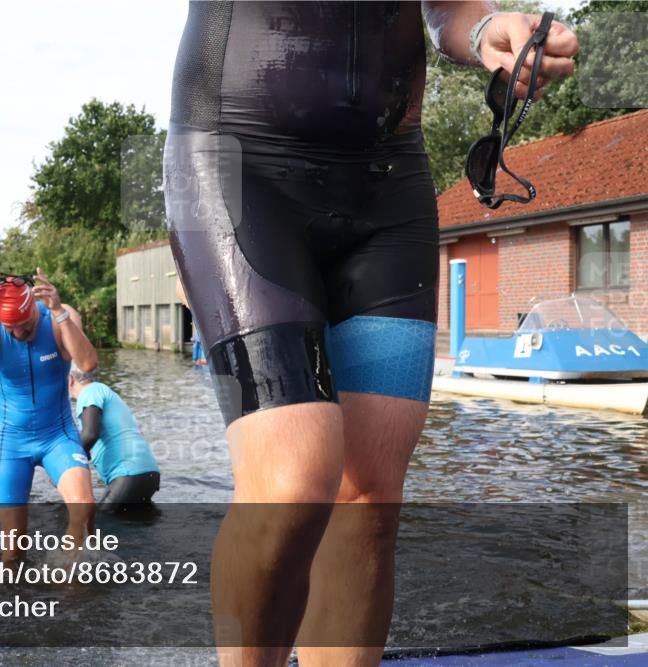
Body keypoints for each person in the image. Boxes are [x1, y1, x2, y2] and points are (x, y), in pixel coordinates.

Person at [164, 4, 579, 664]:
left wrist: (484, 30)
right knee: (295, 477)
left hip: (388, 187)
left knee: (370, 498)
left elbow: (449, 9)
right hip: (235, 164)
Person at [0, 267, 98, 561]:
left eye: (25, 325)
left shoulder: (59, 317)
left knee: (84, 507)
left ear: (34, 310)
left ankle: (68, 581)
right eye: (11, 328)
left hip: (58, 436)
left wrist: (59, 310)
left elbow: (87, 364)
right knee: (13, 549)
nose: (19, 333)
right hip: (11, 442)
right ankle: (17, 600)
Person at [69, 368, 160, 509]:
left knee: (102, 525)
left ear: (70, 379)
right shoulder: (104, 392)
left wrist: (66, 465)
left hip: (128, 474)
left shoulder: (89, 392)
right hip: (148, 473)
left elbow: (90, 434)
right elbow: (87, 445)